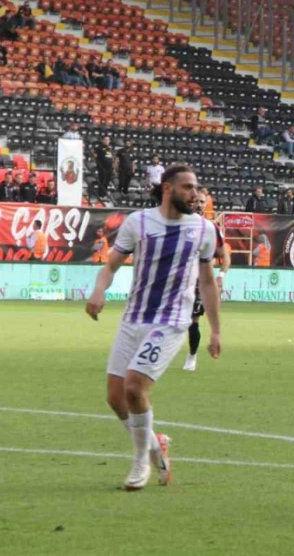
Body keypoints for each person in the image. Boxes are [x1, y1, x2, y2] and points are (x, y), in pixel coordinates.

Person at [85, 164, 222, 490]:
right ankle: (154, 446)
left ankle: (139, 463)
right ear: (168, 189)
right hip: (134, 318)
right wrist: (99, 289)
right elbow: (111, 266)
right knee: (115, 398)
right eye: (188, 187)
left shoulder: (203, 230)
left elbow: (207, 281)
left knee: (134, 388)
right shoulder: (139, 222)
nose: (195, 194)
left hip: (171, 321)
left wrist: (215, 330)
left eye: (196, 187)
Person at [183, 189, 231, 372]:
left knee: (193, 320)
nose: (199, 205)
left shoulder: (211, 229)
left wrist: (221, 276)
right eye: (196, 201)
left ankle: (192, 356)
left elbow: (224, 256)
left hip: (198, 281)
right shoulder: (178, 224)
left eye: (202, 202)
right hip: (177, 278)